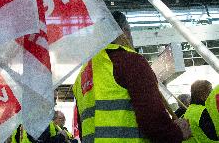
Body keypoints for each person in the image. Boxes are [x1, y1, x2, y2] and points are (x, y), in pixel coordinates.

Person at [73, 11, 191, 143]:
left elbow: (83, 129)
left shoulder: (82, 76)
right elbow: (152, 120)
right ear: (124, 31)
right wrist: (177, 133)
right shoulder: (130, 62)